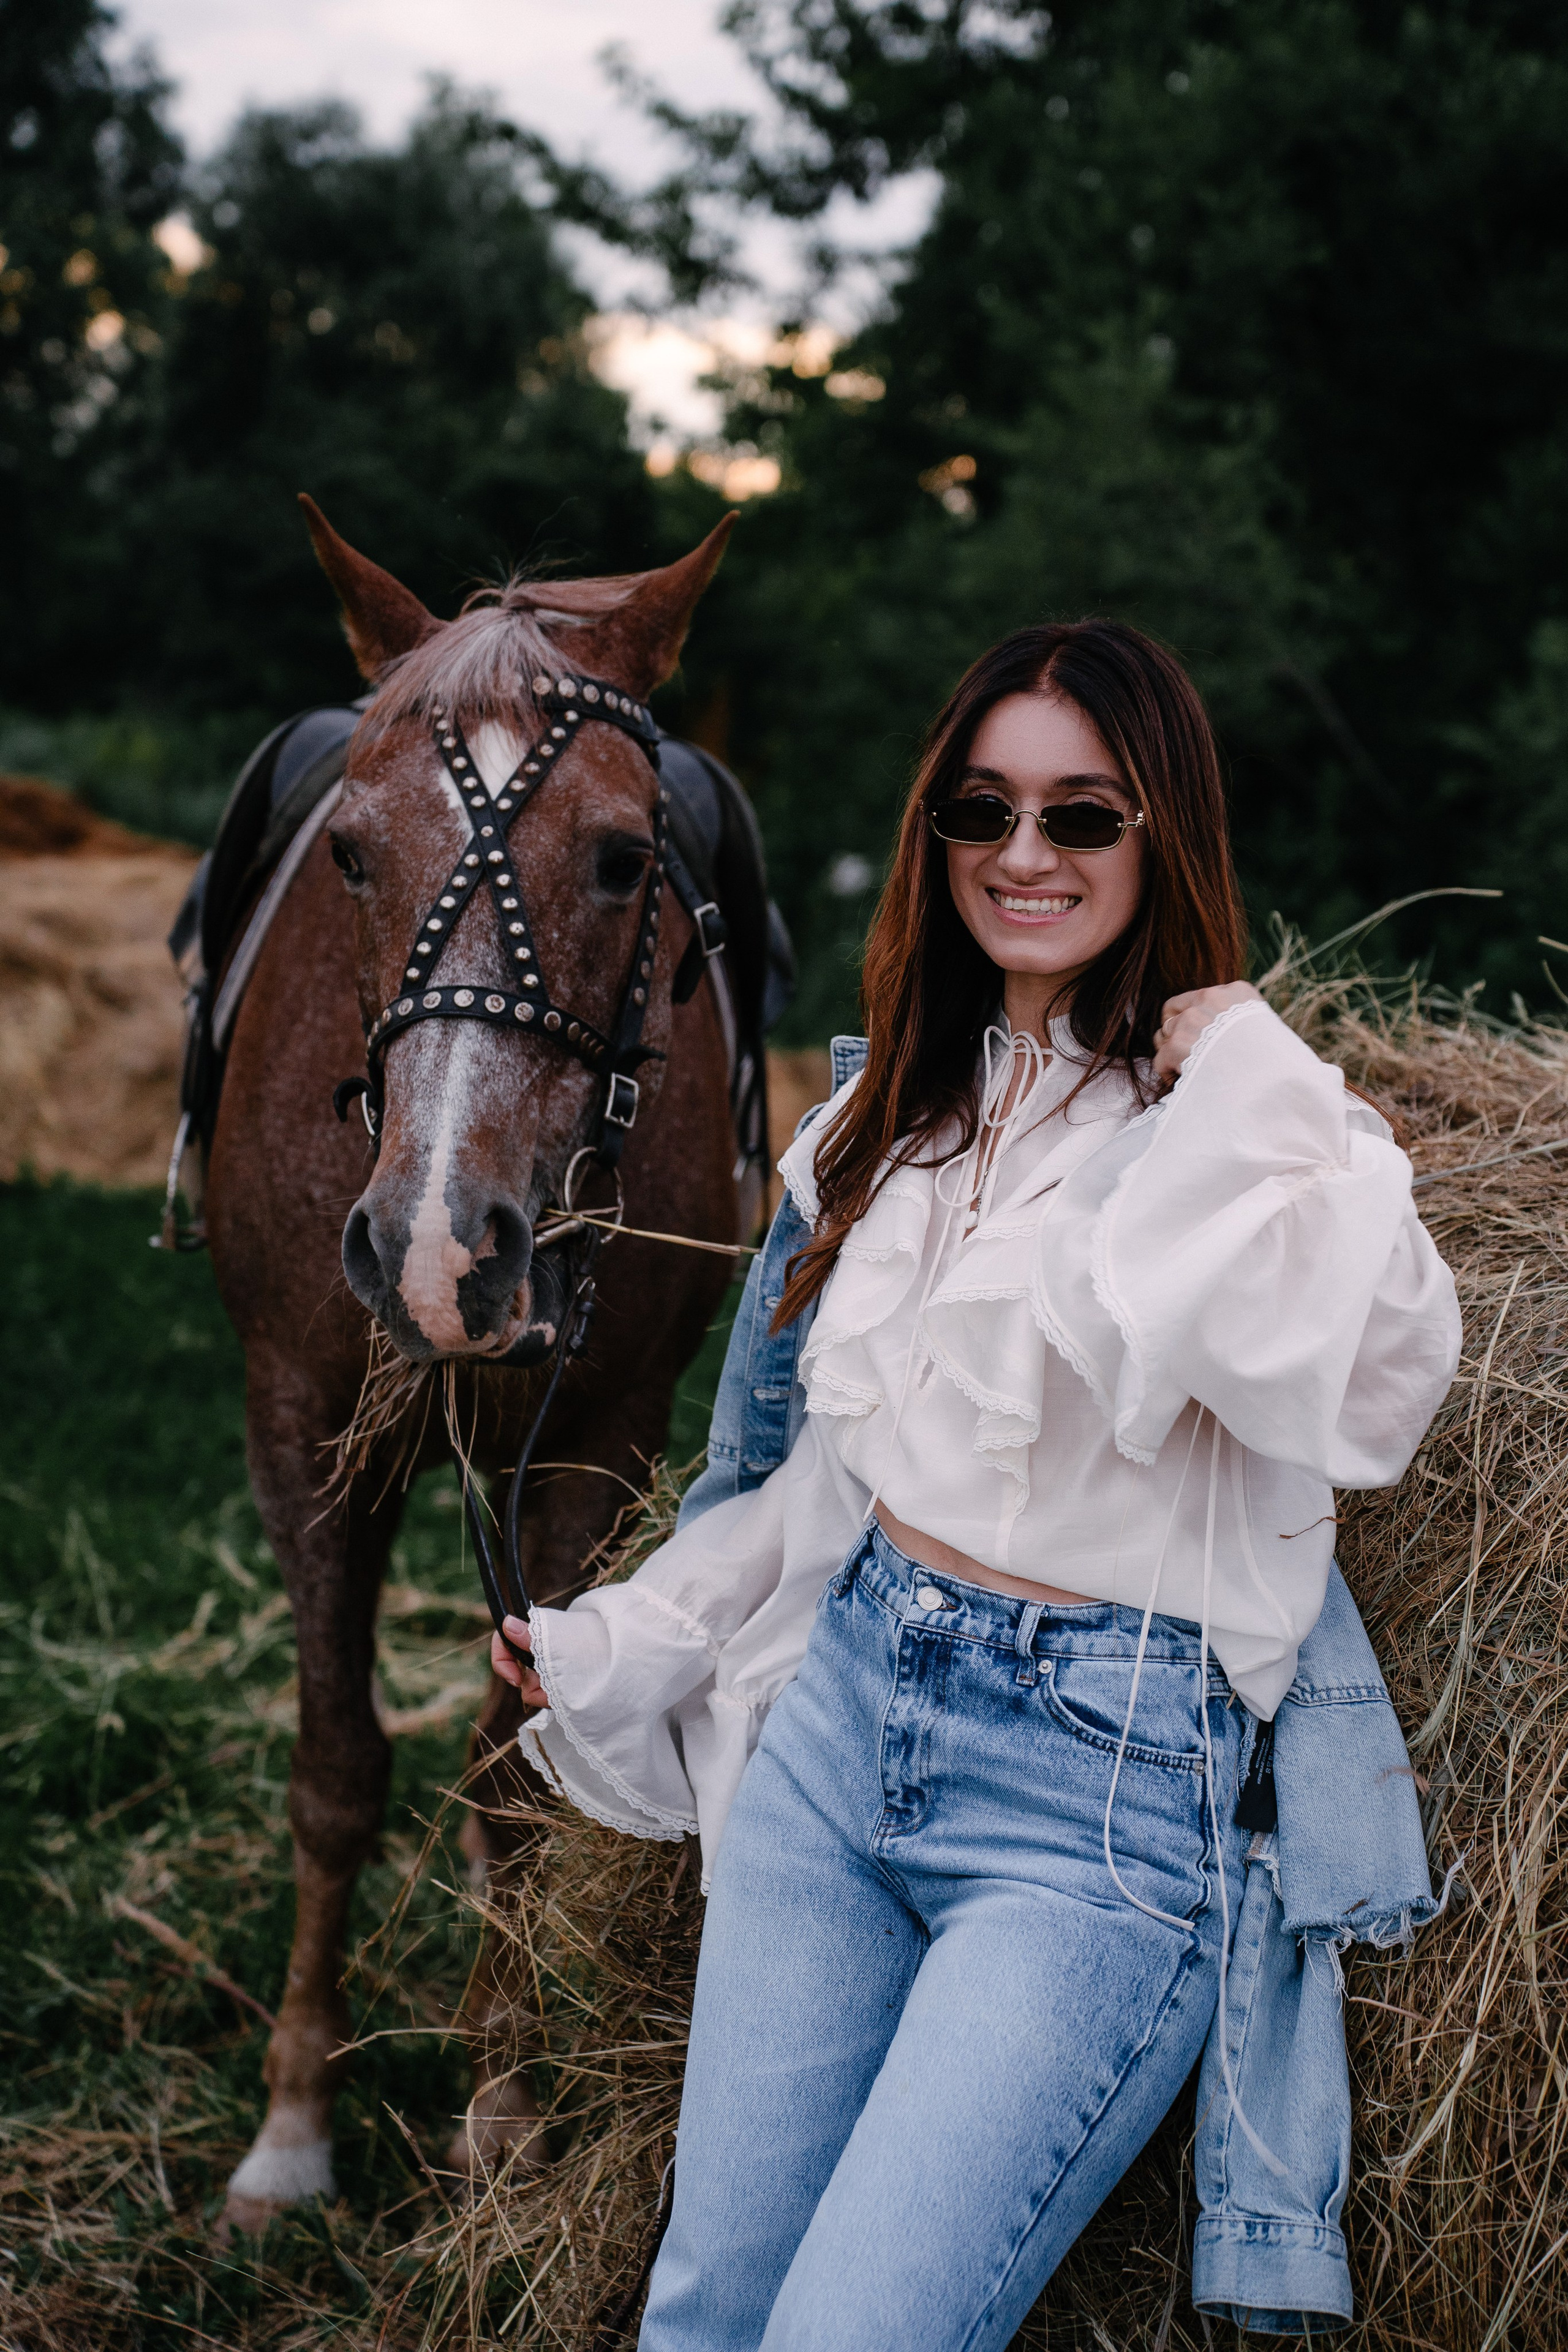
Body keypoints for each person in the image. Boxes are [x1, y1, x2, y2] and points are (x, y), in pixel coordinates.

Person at [491, 621, 1461, 2350]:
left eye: (1084, 818)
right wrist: (633, 1631)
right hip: (846, 1724)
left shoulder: (1236, 1142)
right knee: (706, 2315)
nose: (1025, 856)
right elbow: (820, 1494)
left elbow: (1378, 1386)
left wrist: (1246, 1062)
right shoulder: (883, 1126)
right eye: (982, 811)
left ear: (1165, 837)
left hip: (1093, 1809)